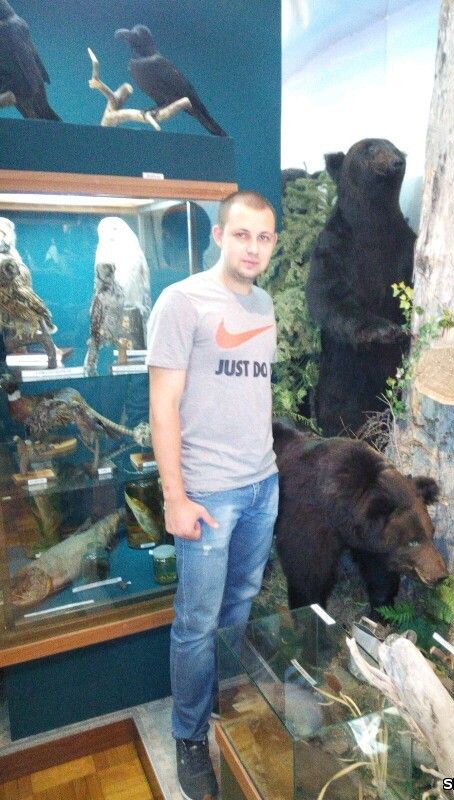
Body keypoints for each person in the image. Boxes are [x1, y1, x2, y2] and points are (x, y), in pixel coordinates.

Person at [146, 190, 279, 800]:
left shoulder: (265, 304)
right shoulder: (182, 302)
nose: (253, 248)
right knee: (197, 623)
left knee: (240, 605)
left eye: (264, 238)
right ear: (221, 235)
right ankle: (190, 736)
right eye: (242, 235)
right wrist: (174, 496)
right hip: (207, 493)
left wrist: (267, 476)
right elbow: (163, 406)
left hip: (261, 485)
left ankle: (222, 708)